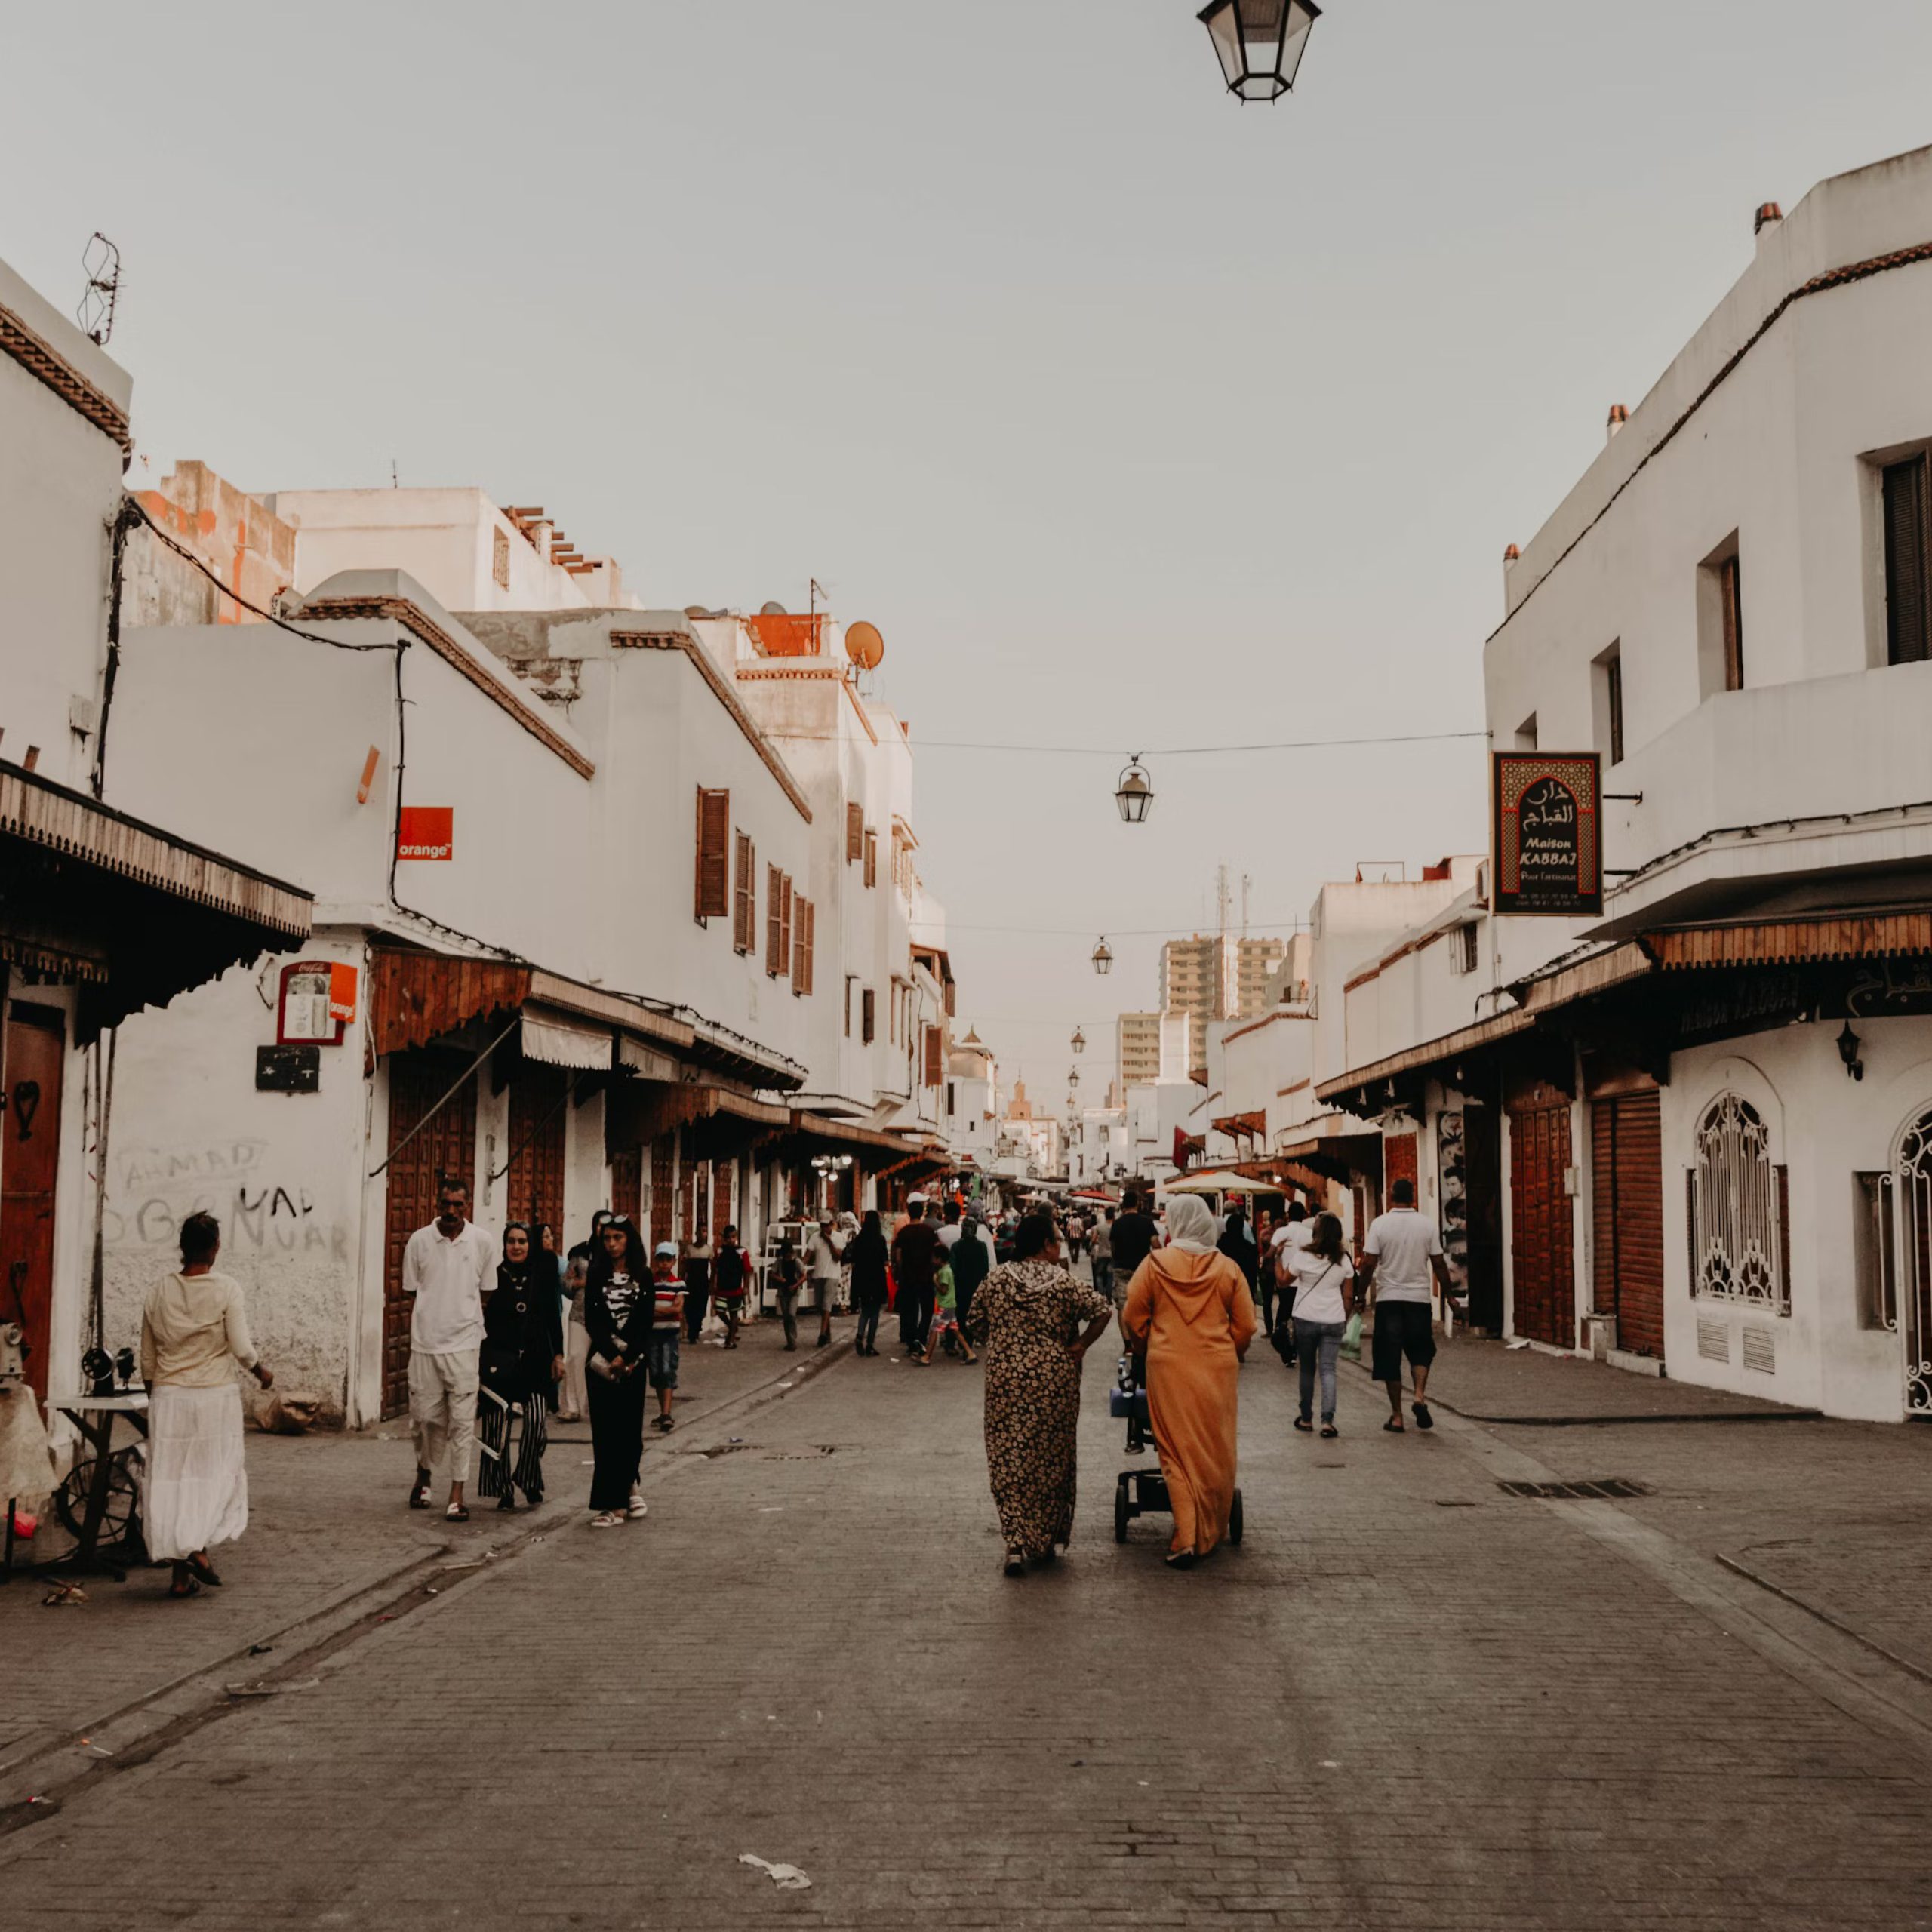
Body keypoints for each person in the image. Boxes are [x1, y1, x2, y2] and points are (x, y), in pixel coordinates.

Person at [961, 1211, 1112, 1576]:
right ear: (1045, 1245)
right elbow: (1103, 1311)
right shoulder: (1063, 1281)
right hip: (1054, 1382)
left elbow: (974, 1321)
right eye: (1057, 1240)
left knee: (1008, 1456)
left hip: (1006, 1381)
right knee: (1051, 1458)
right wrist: (1080, 1344)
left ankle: (1015, 1542)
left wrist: (1005, 1341)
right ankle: (1043, 1540)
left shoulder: (997, 1279)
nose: (1059, 1245)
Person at [140, 1212, 273, 1599]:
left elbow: (148, 1356)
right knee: (210, 1476)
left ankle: (181, 1579)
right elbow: (241, 1348)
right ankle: (196, 1547)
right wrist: (261, 1371)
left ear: (182, 1247)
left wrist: (155, 1397)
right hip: (214, 1398)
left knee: (172, 1481)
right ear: (215, 1247)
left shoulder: (158, 1290)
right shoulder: (226, 1288)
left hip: (169, 1397)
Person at [1119, 1193, 1257, 1568]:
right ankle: (1210, 1526)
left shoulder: (1155, 1264)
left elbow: (1132, 1316)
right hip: (1217, 1369)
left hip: (1169, 1368)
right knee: (1215, 1447)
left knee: (1175, 1450)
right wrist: (1228, 1349)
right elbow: (1247, 1325)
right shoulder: (1227, 1268)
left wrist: (1145, 1345)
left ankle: (1186, 1536)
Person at [403, 1179, 497, 1523]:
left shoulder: (482, 1241)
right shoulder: (419, 1240)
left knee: (462, 1422)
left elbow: (487, 1290)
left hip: (465, 1345)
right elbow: (412, 1289)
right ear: (437, 1203)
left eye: (458, 1205)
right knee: (424, 1419)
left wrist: (462, 1317)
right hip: (425, 1345)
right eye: (446, 1204)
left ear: (468, 1206)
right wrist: (435, 1315)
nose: (452, 1211)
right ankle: (424, 1473)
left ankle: (457, 1493)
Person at [1358, 1177, 1456, 1433]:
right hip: (1418, 1299)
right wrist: (1450, 1296)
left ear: (1391, 1196)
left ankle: (1397, 1417)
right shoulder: (1427, 1225)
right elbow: (1439, 1264)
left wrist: (1359, 1296)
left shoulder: (1380, 1224)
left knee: (1390, 1358)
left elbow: (1368, 1263)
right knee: (1421, 1350)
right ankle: (1419, 1396)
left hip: (1389, 1299)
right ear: (1413, 1197)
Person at [477, 1222, 564, 1510]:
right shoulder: (493, 1277)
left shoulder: (541, 1277)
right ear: (504, 1245)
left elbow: (553, 1318)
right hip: (499, 1362)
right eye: (511, 1241)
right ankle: (502, 1488)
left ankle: (528, 1477)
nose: (516, 1247)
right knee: (496, 1428)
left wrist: (559, 1355)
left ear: (530, 1245)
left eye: (522, 1241)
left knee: (537, 1423)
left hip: (536, 1362)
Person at [583, 1217, 651, 1527]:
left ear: (629, 1240)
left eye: (618, 1238)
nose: (611, 1244)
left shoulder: (643, 1275)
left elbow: (644, 1323)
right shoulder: (596, 1275)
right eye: (607, 1238)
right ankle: (611, 1504)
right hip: (602, 1366)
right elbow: (593, 1320)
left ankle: (630, 1485)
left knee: (630, 1432)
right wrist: (613, 1355)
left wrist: (629, 1356)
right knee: (605, 1434)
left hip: (633, 1365)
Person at [1286, 1212, 1354, 1439]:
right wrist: (1344, 1318)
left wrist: (1276, 1259)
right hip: (1333, 1318)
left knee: (1307, 1369)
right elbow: (1348, 1295)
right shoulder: (1343, 1258)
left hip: (1306, 1317)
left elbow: (1283, 1281)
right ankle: (1327, 1421)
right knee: (1328, 1370)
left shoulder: (1303, 1255)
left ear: (1316, 1231)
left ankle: (1306, 1418)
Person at [891, 1196, 941, 1358]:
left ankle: (912, 1340)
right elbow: (936, 1253)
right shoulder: (929, 1232)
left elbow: (898, 1256)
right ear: (922, 1214)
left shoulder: (903, 1233)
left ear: (909, 1213)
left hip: (908, 1277)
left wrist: (900, 1271)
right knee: (927, 1310)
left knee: (909, 1310)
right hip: (926, 1276)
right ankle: (921, 1336)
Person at [647, 1241, 685, 1432]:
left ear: (674, 1261)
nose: (664, 1263)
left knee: (667, 1369)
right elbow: (645, 1308)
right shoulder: (650, 1284)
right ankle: (663, 1411)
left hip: (670, 1333)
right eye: (661, 1259)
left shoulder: (678, 1284)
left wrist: (655, 1309)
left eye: (668, 1259)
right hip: (653, 1334)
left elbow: (677, 1309)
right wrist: (666, 1310)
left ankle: (667, 1412)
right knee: (655, 1372)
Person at [918, 1254, 977, 1364]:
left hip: (944, 1305)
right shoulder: (947, 1270)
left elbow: (943, 1290)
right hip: (950, 1304)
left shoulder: (944, 1272)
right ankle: (970, 1353)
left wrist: (935, 1281)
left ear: (939, 1259)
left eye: (934, 1258)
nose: (933, 1261)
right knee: (955, 1330)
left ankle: (926, 1357)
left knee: (934, 1330)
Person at [848, 1209, 890, 1355]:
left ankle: (860, 1334)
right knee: (875, 1312)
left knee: (865, 1310)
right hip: (877, 1278)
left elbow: (853, 1260)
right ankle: (870, 1344)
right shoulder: (880, 1239)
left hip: (862, 1278)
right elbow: (885, 1261)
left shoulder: (859, 1239)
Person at [951, 1202, 994, 1338]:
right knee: (972, 1313)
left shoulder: (956, 1246)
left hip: (960, 1285)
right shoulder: (981, 1246)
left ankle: (958, 1340)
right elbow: (986, 1266)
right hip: (976, 1285)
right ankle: (968, 1341)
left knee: (960, 1312)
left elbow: (953, 1267)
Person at [557, 1252, 591, 1422]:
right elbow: (565, 1283)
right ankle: (572, 1406)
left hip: (608, 1315)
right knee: (575, 1357)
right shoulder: (580, 1254)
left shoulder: (616, 1254)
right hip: (580, 1313)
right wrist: (579, 1283)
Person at [1109, 1187, 1157, 1293]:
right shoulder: (1147, 1222)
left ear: (1124, 1205)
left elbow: (1113, 1247)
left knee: (1123, 1299)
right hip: (1142, 1268)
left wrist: (1117, 1260)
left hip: (1121, 1267)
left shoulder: (1117, 1223)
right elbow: (1156, 1245)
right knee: (1141, 1299)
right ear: (1137, 1204)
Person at [806, 1214, 841, 1349]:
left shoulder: (838, 1237)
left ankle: (821, 1334)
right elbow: (807, 1256)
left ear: (832, 1224)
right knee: (821, 1306)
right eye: (822, 1226)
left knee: (827, 1304)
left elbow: (837, 1257)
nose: (825, 1228)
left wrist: (829, 1241)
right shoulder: (814, 1237)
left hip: (832, 1274)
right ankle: (827, 1333)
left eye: (827, 1225)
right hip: (819, 1274)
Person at [712, 1226, 749, 1347]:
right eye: (728, 1237)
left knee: (734, 1313)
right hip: (722, 1288)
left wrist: (746, 1287)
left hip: (736, 1288)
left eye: (733, 1237)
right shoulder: (719, 1252)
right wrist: (712, 1284)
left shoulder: (742, 1252)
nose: (731, 1240)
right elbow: (715, 1269)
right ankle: (732, 1328)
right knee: (719, 1311)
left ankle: (731, 1339)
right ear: (724, 1238)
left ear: (736, 1237)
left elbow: (747, 1270)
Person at [771, 1235, 805, 1349]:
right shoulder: (779, 1262)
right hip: (783, 1291)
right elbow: (772, 1274)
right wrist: (780, 1279)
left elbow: (804, 1276)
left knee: (791, 1314)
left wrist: (796, 1285)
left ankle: (793, 1338)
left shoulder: (797, 1262)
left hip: (794, 1291)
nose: (788, 1257)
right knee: (786, 1317)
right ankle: (790, 1341)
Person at [682, 1230, 713, 1344]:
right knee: (689, 1307)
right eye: (700, 1232)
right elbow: (684, 1266)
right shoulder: (690, 1249)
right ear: (696, 1234)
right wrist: (682, 1281)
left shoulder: (709, 1250)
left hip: (703, 1282)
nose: (702, 1234)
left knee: (701, 1307)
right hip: (691, 1282)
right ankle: (692, 1332)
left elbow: (714, 1268)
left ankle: (696, 1330)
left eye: (705, 1231)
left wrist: (712, 1283)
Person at [1088, 1207, 1114, 1303]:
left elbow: (1093, 1240)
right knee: (1110, 1276)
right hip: (1112, 1255)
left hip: (1101, 1254)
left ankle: (1101, 1294)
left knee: (1099, 1275)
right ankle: (1109, 1297)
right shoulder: (1115, 1227)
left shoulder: (1099, 1227)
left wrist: (1096, 1243)